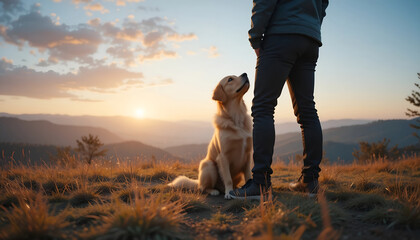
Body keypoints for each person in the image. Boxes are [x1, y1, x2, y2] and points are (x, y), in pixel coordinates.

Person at [229, 0, 329, 199]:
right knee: (307, 111)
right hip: (310, 39)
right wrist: (311, 24)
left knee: (263, 108)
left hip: (281, 35)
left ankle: (260, 183)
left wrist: (255, 37)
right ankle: (310, 182)